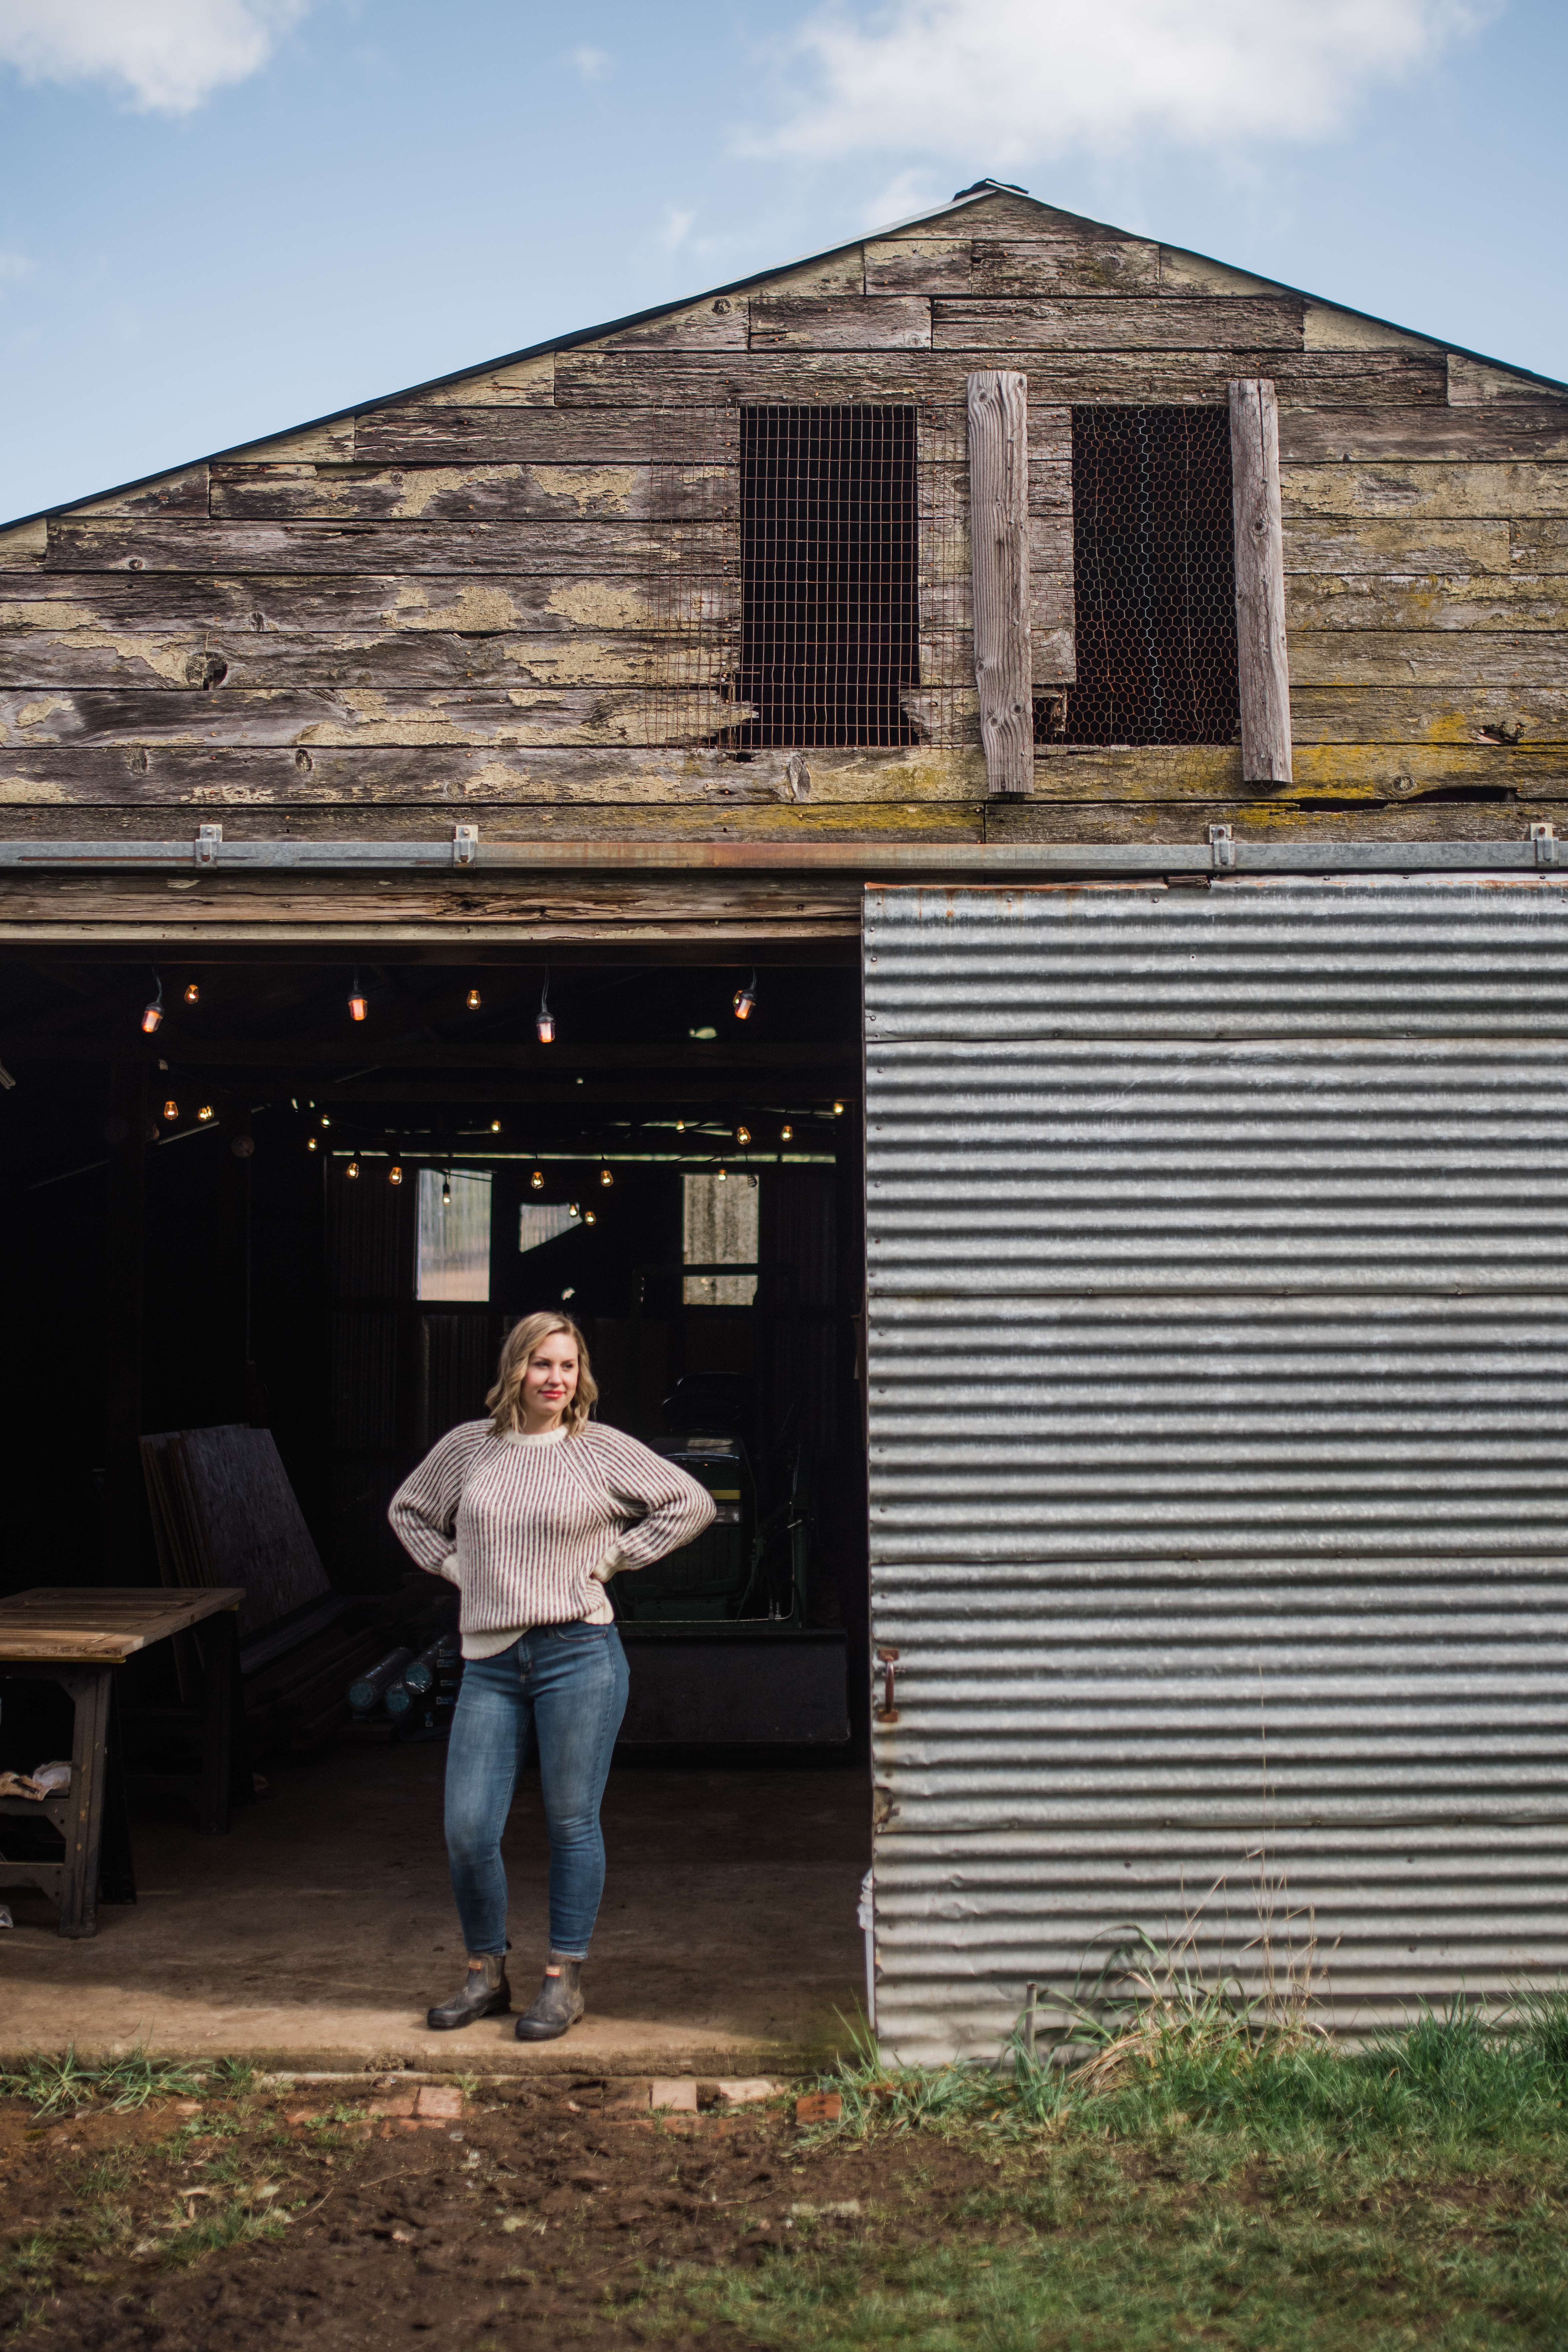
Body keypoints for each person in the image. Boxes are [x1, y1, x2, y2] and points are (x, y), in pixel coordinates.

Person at [388, 1311, 714, 2040]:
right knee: (469, 1827)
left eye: (567, 1366)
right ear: (516, 1371)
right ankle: (484, 1973)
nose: (555, 1380)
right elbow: (409, 1512)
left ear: (580, 1375)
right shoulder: (469, 1449)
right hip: (491, 1661)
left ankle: (563, 1981)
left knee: (571, 1823)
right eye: (541, 1364)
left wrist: (613, 1561)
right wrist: (453, 1566)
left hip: (579, 1655)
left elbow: (688, 1502)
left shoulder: (597, 1449)